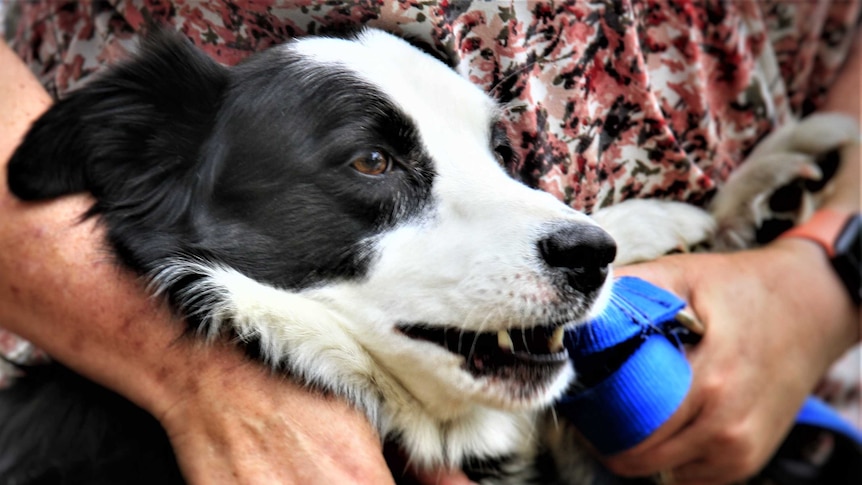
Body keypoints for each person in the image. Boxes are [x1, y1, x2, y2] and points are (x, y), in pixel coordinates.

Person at [0, 1, 858, 484]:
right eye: (373, 160)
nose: (573, 234)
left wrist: (826, 275)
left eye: (498, 156)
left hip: (741, 397)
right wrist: (193, 378)